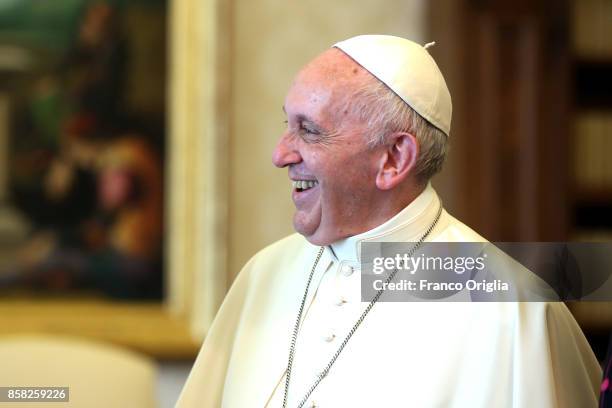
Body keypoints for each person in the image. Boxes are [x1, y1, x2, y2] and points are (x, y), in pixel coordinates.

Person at [176, 35, 601, 407]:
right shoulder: (263, 275)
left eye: (309, 131)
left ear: (394, 159)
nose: (280, 153)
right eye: (287, 124)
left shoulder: (513, 313)